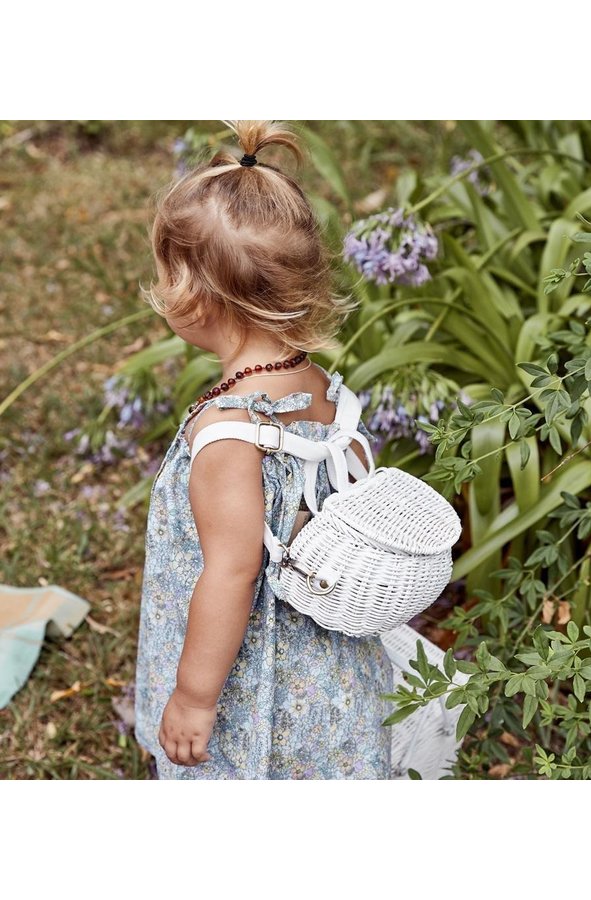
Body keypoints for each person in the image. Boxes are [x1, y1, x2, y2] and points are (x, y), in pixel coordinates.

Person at [133, 120, 394, 779]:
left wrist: (195, 699)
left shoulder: (228, 433)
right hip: (329, 670)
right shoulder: (327, 393)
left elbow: (232, 571)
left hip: (251, 685)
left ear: (194, 294)